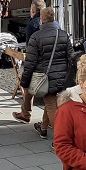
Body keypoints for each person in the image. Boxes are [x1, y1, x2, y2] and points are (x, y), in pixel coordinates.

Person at [14, 7, 72, 138]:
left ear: (41, 20)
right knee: (50, 102)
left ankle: (60, 140)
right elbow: (70, 57)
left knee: (51, 105)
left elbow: (30, 63)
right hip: (62, 77)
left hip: (45, 78)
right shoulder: (63, 34)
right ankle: (43, 128)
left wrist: (25, 81)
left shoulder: (36, 37)